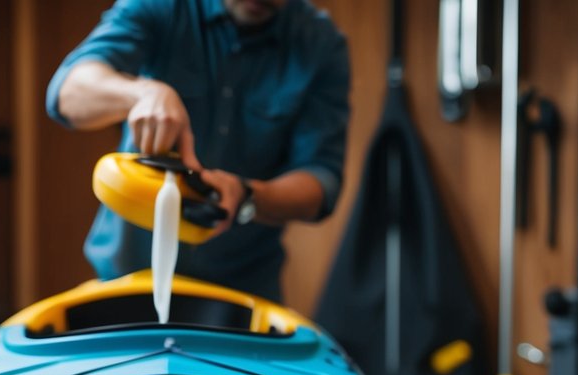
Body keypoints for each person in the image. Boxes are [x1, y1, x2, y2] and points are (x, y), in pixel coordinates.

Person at [46, 0, 350, 303]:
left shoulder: (321, 43)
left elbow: (321, 182)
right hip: (127, 280)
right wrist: (142, 93)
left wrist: (246, 194)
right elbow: (67, 93)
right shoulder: (162, 6)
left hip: (243, 293)